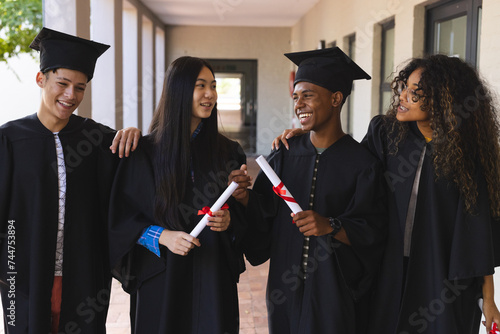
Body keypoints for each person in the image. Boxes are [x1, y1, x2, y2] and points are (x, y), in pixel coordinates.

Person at [274, 54, 500, 333]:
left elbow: (478, 234)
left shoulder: (466, 154)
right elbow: (349, 168)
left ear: (443, 98)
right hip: (386, 270)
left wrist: (489, 299)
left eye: (415, 92)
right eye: (404, 87)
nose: (402, 96)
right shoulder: (387, 134)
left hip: (440, 278)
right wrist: (307, 138)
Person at [229, 47, 387, 334]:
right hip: (285, 286)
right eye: (295, 97)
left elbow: (373, 229)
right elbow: (265, 210)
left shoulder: (363, 164)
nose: (298, 104)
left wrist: (331, 225)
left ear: (336, 98)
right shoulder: (285, 154)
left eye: (308, 95)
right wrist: (245, 198)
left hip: (335, 290)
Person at [0, 27, 141, 334]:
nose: (70, 96)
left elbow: (134, 181)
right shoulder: (9, 140)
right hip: (24, 273)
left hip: (84, 273)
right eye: (62, 84)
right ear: (41, 80)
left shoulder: (97, 139)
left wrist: (134, 136)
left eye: (80, 88)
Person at [108, 56, 250, 334]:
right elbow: (121, 219)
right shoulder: (144, 152)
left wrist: (230, 219)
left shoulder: (229, 152)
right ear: (179, 90)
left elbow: (245, 218)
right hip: (162, 277)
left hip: (213, 276)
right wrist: (163, 236)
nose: (210, 94)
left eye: (213, 85)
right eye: (200, 86)